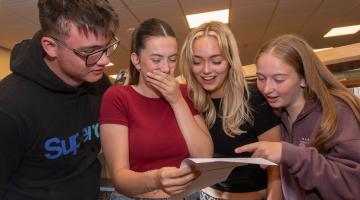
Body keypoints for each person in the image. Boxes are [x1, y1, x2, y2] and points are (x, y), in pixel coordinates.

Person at [0, 0, 119, 199]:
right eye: (90, 52)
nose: (104, 60)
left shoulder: (99, 82)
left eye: (107, 47)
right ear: (51, 47)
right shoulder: (9, 107)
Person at [99, 18, 213, 200]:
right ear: (137, 61)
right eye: (156, 59)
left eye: (172, 59)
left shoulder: (184, 93)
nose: (167, 68)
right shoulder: (118, 97)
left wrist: (177, 101)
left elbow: (204, 156)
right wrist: (156, 179)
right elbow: (120, 177)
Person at [235, 34, 360, 199]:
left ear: (304, 79)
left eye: (279, 79)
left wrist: (288, 154)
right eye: (261, 78)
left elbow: (353, 187)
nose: (266, 89)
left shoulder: (338, 112)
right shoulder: (280, 114)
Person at [179, 21, 282, 199]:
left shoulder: (255, 98)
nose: (206, 70)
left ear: (230, 61)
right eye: (197, 62)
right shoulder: (189, 102)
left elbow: (276, 167)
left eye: (216, 61)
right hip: (207, 194)